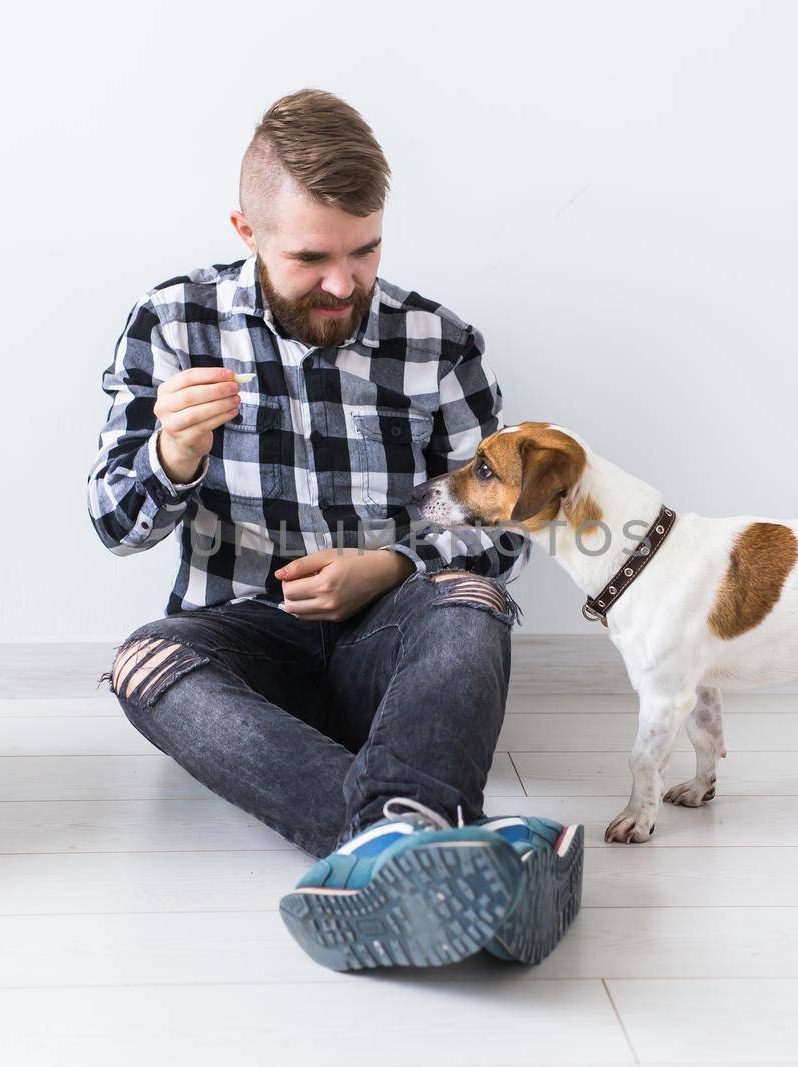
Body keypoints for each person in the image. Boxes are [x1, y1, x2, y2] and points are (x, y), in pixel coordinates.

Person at [86, 89, 581, 971]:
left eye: (366, 250)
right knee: (141, 661)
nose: (344, 283)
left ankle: (388, 849)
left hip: (388, 652)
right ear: (246, 229)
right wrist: (172, 452)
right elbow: (116, 525)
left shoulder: (439, 342)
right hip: (244, 650)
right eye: (312, 257)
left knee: (470, 595)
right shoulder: (173, 324)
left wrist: (388, 566)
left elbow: (498, 532)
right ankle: (419, 835)